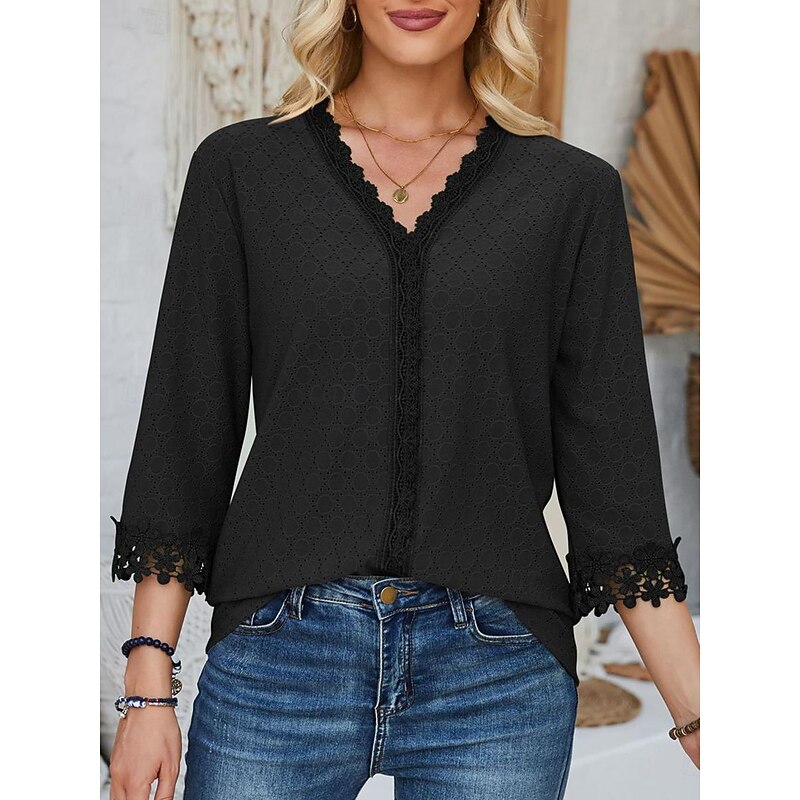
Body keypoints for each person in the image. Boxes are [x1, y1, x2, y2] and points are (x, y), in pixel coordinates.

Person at [108, 1, 701, 798]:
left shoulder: (571, 193)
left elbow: (616, 492)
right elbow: (184, 434)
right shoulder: (244, 171)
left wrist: (701, 713)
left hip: (497, 677)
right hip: (280, 661)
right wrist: (147, 689)